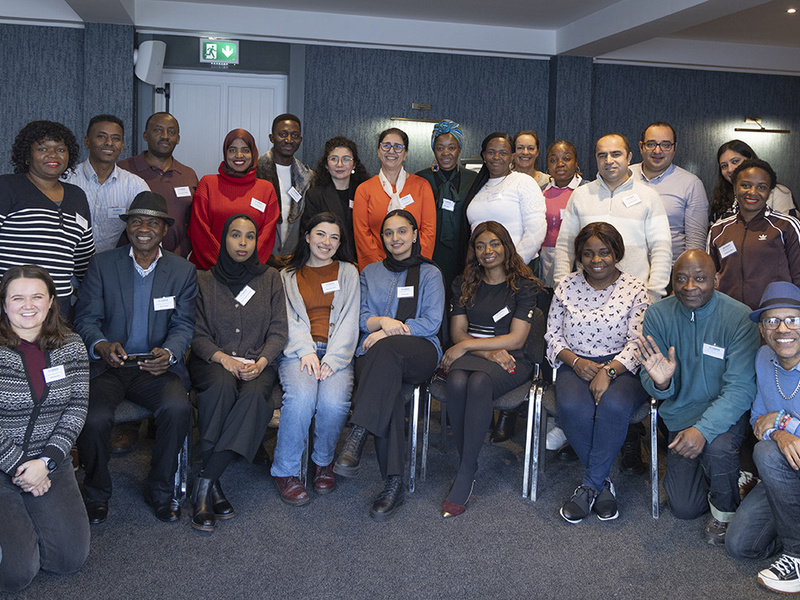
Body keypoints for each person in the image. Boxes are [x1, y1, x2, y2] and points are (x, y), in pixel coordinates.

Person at [74, 192, 196, 525]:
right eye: (137, 221)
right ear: (127, 227)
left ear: (164, 230)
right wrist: (100, 345)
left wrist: (169, 353)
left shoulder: (182, 271)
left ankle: (160, 489)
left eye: (152, 223)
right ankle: (96, 492)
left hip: (154, 368)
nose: (144, 229)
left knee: (177, 409)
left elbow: (184, 325)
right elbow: (85, 318)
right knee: (94, 417)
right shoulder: (102, 264)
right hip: (108, 366)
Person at [636, 249, 760, 544]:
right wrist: (662, 383)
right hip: (680, 416)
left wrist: (702, 431)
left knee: (718, 448)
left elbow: (741, 389)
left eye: (700, 278)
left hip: (725, 413)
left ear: (716, 280)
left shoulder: (739, 317)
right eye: (681, 279)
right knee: (685, 508)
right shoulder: (657, 314)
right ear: (672, 281)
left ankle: (724, 513)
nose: (690, 286)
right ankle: (731, 475)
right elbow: (650, 376)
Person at [333, 210, 444, 521]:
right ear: (382, 238)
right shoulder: (369, 273)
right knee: (388, 387)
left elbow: (431, 322)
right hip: (378, 355)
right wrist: (381, 321)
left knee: (385, 353)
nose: (395, 238)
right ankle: (393, 484)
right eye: (388, 232)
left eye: (402, 231)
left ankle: (358, 432)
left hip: (419, 351)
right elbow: (360, 317)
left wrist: (385, 332)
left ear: (414, 234)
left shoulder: (430, 273)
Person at [545, 222, 650, 522]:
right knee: (572, 407)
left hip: (623, 367)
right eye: (588, 253)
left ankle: (589, 486)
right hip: (575, 364)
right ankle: (602, 485)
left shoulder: (635, 289)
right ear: (580, 256)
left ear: (617, 253)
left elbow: (638, 341)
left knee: (613, 405)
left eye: (604, 252)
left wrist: (610, 372)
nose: (596, 260)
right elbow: (552, 335)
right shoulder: (566, 286)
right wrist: (576, 362)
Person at [189, 214, 287, 531]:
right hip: (213, 361)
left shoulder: (271, 278)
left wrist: (262, 361)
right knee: (220, 388)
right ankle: (213, 484)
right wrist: (224, 359)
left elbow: (278, 331)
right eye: (235, 235)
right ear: (223, 239)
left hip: (259, 362)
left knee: (257, 397)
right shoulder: (204, 280)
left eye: (249, 236)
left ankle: (206, 481)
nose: (243, 242)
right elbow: (197, 335)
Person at [439, 221, 540, 517]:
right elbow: (457, 332)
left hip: (513, 359)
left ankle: (465, 470)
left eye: (494, 244)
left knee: (478, 382)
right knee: (457, 380)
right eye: (480, 245)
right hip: (478, 354)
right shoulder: (464, 282)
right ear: (474, 251)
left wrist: (468, 347)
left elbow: (517, 339)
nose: (488, 251)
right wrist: (485, 351)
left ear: (506, 247)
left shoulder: (524, 285)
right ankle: (468, 463)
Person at [0, 265, 89, 593]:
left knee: (70, 559)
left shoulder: (72, 345)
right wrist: (19, 465)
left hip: (49, 460)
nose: (28, 305)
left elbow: (77, 408)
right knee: (16, 575)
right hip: (2, 462)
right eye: (17, 298)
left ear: (51, 301)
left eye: (37, 296)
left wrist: (46, 462)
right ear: (4, 303)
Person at [271, 213, 359, 504]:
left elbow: (349, 320)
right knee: (301, 399)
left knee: (334, 403)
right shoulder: (286, 276)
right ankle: (286, 471)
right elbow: (285, 318)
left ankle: (323, 462)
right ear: (307, 236)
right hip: (298, 352)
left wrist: (333, 359)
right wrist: (306, 350)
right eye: (320, 234)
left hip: (337, 353)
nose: (326, 242)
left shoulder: (349, 272)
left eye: (334, 237)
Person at [726, 282, 800, 593]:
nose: (782, 329)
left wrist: (784, 424)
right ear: (762, 329)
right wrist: (779, 433)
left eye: (793, 319)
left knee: (766, 453)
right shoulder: (763, 357)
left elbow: (771, 426)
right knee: (740, 544)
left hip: (785, 461)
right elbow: (758, 421)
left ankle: (796, 554)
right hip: (788, 473)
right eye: (772, 321)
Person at [553, 133, 672, 303]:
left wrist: (653, 294)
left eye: (616, 154)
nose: (609, 161)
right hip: (584, 296)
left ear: (629, 157)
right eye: (602, 155)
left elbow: (661, 249)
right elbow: (565, 246)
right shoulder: (580, 195)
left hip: (635, 297)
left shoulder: (649, 197)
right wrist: (561, 287)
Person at [0, 120, 94, 317]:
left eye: (60, 149)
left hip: (58, 309)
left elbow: (84, 260)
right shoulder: (7, 187)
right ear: (27, 155)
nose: (52, 155)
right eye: (43, 149)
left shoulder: (77, 196)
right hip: (12, 307)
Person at [708, 158, 800, 310]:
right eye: (745, 185)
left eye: (761, 187)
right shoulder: (718, 229)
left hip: (773, 315)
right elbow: (709, 278)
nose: (752, 192)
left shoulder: (787, 226)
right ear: (735, 188)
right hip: (729, 315)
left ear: (769, 192)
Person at [188, 129, 279, 270]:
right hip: (209, 270)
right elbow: (198, 230)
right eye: (232, 150)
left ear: (253, 154)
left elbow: (267, 235)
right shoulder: (208, 184)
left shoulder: (266, 189)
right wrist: (222, 265)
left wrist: (248, 265)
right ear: (225, 153)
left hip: (250, 271)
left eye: (245, 150)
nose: (239, 155)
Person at [353, 128, 437, 271]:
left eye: (398, 147)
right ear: (378, 151)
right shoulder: (364, 190)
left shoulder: (422, 186)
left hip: (414, 266)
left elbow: (429, 231)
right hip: (378, 267)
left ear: (405, 154)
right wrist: (380, 267)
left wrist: (415, 262)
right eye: (386, 146)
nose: (391, 151)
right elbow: (362, 234)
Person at [118, 112, 199, 257]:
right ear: (145, 135)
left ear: (178, 139)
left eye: (171, 132)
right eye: (158, 130)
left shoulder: (188, 175)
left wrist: (180, 253)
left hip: (176, 259)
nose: (165, 136)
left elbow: (193, 222)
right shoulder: (123, 170)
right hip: (130, 259)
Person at [64, 114, 149, 253]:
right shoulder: (65, 179)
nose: (109, 143)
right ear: (87, 142)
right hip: (67, 263)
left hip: (107, 264)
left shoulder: (135, 185)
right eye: (101, 136)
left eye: (116, 138)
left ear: (122, 146)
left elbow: (150, 228)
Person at [462, 132, 546, 268]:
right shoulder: (477, 186)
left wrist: (515, 264)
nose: (496, 157)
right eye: (491, 152)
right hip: (483, 267)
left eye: (503, 153)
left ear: (512, 157)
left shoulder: (523, 181)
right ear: (484, 156)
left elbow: (536, 230)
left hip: (518, 266)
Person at [629, 121, 709, 262]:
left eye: (665, 145)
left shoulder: (691, 184)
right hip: (626, 267)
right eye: (651, 144)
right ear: (641, 147)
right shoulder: (624, 176)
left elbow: (695, 242)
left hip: (671, 268)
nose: (657, 151)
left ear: (674, 148)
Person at [416, 119, 478, 294]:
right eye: (440, 147)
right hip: (430, 251)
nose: (446, 153)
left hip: (462, 251)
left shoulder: (472, 179)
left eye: (451, 147)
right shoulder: (420, 179)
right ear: (433, 149)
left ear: (459, 149)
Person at [300, 136, 370, 258]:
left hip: (361, 259)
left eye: (346, 159)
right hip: (326, 258)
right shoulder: (314, 195)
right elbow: (308, 233)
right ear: (326, 165)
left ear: (354, 164)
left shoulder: (365, 192)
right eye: (334, 159)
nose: (339, 164)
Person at [256, 113, 313, 257]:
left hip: (293, 256)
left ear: (300, 140)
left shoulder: (307, 176)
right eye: (283, 134)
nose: (289, 140)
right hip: (259, 255)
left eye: (295, 135)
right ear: (271, 138)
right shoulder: (254, 171)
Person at [710, 139, 796, 223]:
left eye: (735, 161)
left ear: (750, 160)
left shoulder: (777, 192)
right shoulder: (721, 196)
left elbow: (786, 228)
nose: (730, 169)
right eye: (724, 166)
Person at [540, 140, 583, 288]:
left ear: (576, 162)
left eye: (566, 158)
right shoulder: (540, 191)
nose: (560, 164)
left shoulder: (587, 189)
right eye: (553, 160)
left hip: (577, 257)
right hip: (546, 258)